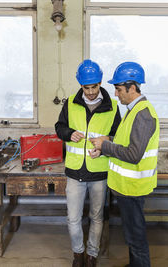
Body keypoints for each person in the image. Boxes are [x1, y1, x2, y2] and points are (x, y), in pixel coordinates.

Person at [90, 62, 159, 267]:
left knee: (136, 237)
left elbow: (134, 154)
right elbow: (124, 142)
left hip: (133, 188)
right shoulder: (133, 110)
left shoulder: (143, 114)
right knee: (131, 234)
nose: (116, 93)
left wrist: (106, 145)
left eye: (119, 89)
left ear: (131, 87)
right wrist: (106, 142)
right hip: (126, 187)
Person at [55, 59, 121, 267]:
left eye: (94, 87)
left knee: (97, 217)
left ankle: (92, 255)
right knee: (73, 219)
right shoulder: (71, 103)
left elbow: (117, 136)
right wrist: (69, 133)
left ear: (100, 83)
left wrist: (104, 145)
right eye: (86, 87)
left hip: (99, 171)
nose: (91, 92)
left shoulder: (112, 106)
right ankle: (78, 254)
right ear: (80, 85)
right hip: (75, 171)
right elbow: (59, 127)